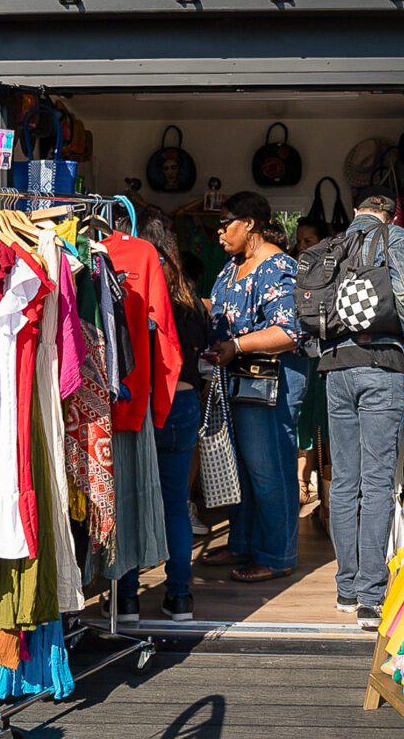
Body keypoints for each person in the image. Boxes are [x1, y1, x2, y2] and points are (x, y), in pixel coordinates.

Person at [320, 186, 404, 629]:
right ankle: (370, 598)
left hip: (336, 370)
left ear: (357, 211)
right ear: (390, 212)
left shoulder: (335, 245)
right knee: (378, 482)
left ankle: (345, 588)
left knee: (344, 481)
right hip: (381, 366)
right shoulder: (394, 237)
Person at [201, 192, 306, 583]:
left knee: (269, 471)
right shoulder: (232, 267)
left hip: (269, 387)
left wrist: (237, 346)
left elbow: (289, 331)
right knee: (241, 468)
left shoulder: (278, 267)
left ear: (250, 224)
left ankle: (277, 555)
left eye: (226, 222)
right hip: (236, 383)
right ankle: (242, 542)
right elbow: (221, 310)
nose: (219, 231)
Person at [115, 207, 209, 621]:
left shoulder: (125, 287)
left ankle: (128, 598)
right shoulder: (190, 300)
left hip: (137, 403)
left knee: (131, 499)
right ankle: (179, 596)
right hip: (182, 402)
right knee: (175, 502)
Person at [292, 219, 332, 509]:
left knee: (328, 420)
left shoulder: (333, 271)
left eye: (309, 241)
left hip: (326, 355)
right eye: (300, 241)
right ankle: (301, 482)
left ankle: (328, 483)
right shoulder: (294, 273)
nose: (303, 247)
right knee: (304, 420)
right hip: (302, 355)